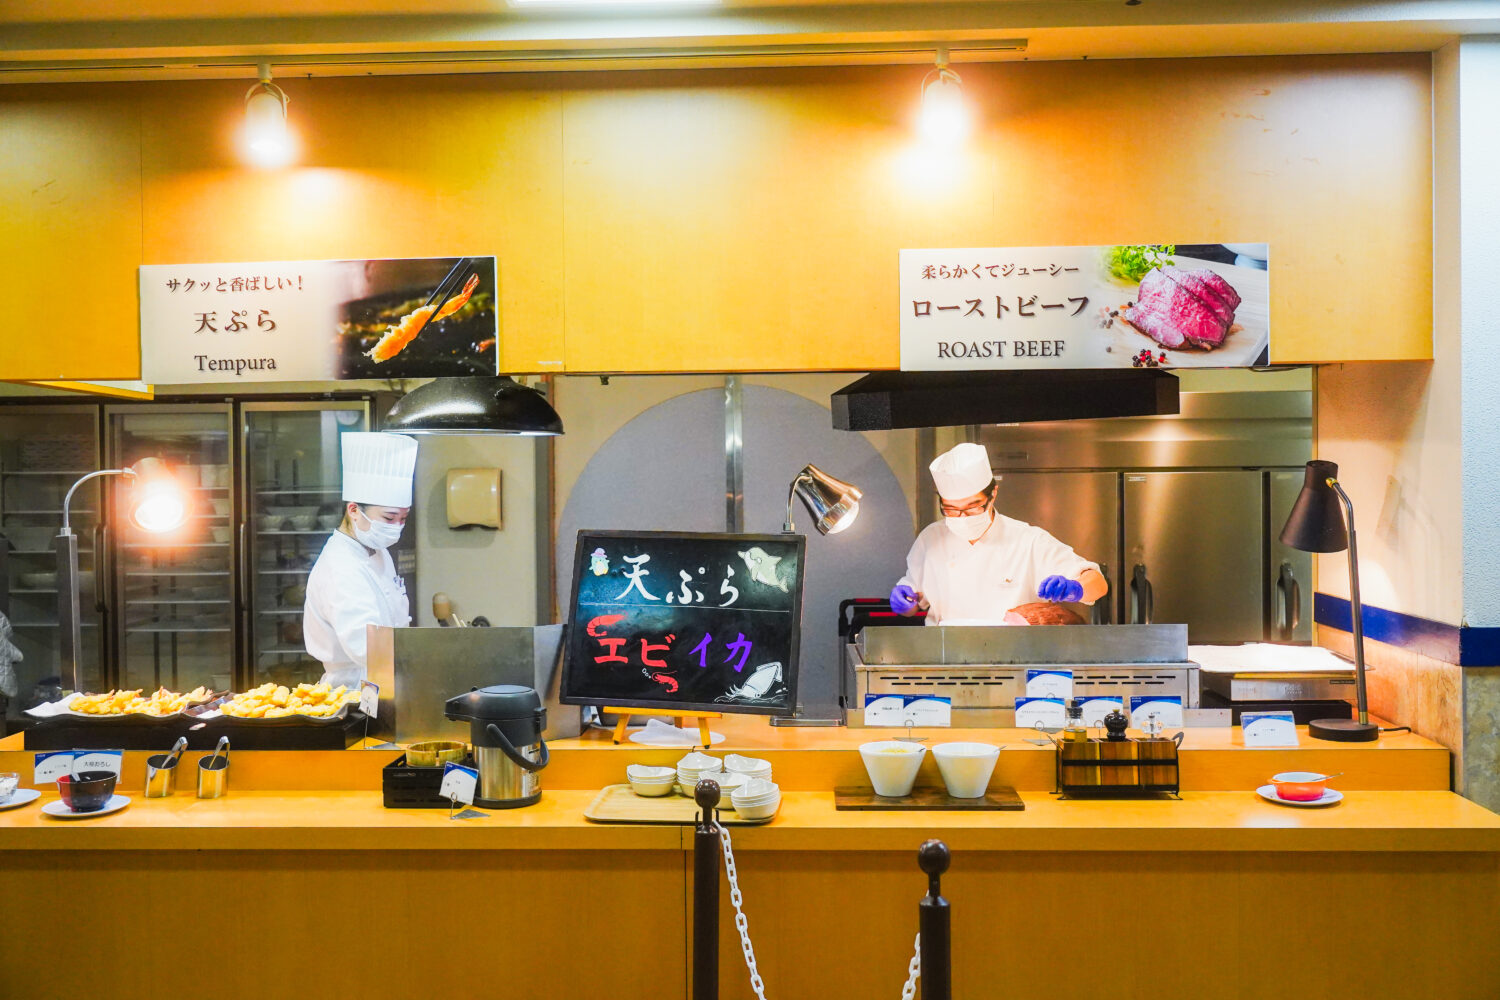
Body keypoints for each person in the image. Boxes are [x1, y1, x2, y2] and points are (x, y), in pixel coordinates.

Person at [889, 442, 1108, 625]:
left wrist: (1075, 589)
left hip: (1014, 656)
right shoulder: (930, 539)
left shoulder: (1028, 540)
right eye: (951, 509)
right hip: (945, 654)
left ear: (993, 494)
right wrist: (905, 602)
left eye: (973, 507)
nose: (962, 517)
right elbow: (914, 602)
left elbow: (1098, 584)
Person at [303, 432, 418, 687]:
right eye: (389, 518)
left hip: (385, 680)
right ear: (354, 510)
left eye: (403, 518)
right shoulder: (340, 567)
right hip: (353, 690)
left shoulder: (377, 550)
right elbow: (365, 647)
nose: (396, 527)